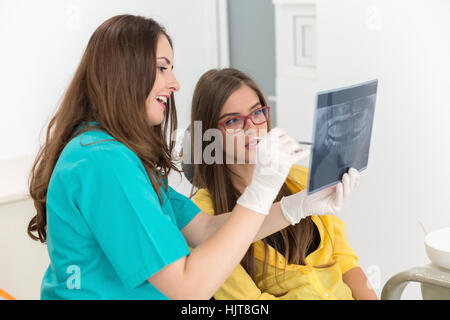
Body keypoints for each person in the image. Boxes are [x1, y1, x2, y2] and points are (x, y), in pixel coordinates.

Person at [27, 15, 356, 300]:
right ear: (124, 74)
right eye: (161, 68)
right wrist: (262, 188)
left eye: (257, 113)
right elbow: (188, 288)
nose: (175, 83)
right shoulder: (103, 162)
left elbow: (207, 231)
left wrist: (297, 207)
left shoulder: (122, 157)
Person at [188, 68, 378, 300]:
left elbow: (345, 260)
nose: (251, 128)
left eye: (257, 113)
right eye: (233, 120)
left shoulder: (299, 178)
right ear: (209, 133)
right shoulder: (201, 217)